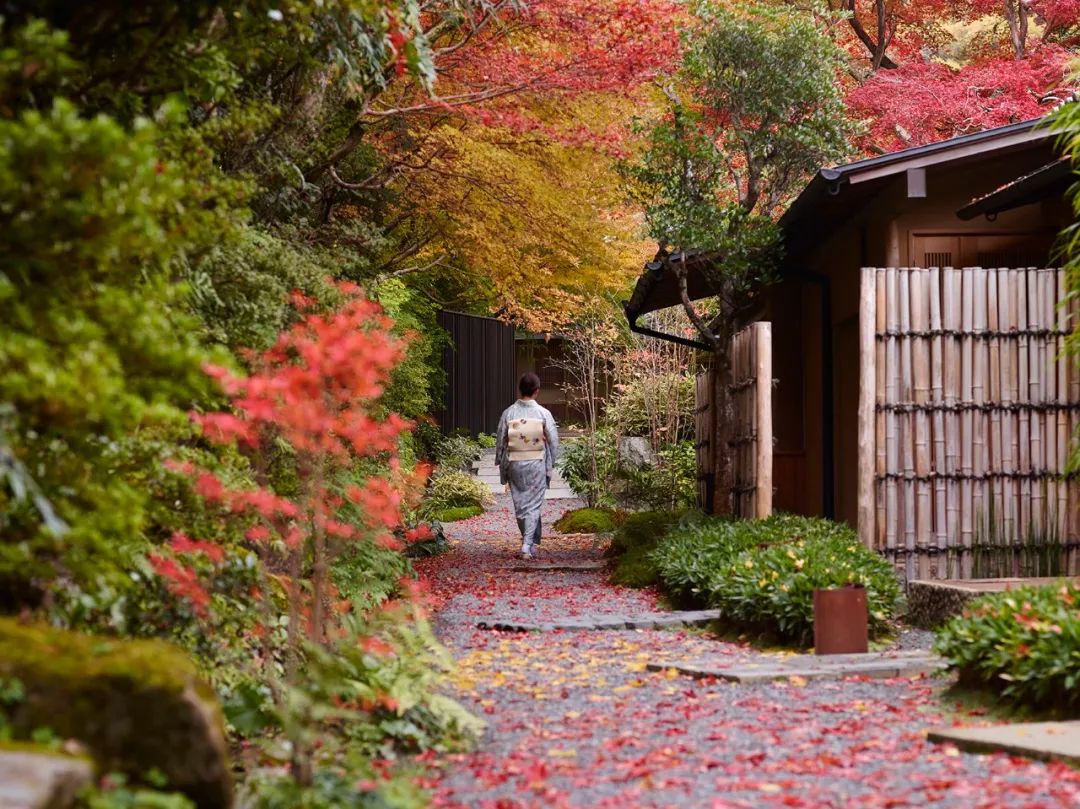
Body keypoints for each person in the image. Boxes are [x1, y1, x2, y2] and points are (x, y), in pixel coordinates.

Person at [495, 372, 559, 559]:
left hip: (515, 462)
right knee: (533, 505)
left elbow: (500, 439)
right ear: (537, 391)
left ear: (520, 389)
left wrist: (499, 459)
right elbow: (553, 441)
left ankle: (529, 541)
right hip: (536, 462)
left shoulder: (509, 413)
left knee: (521, 504)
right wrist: (552, 460)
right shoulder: (543, 413)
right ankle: (526, 545)